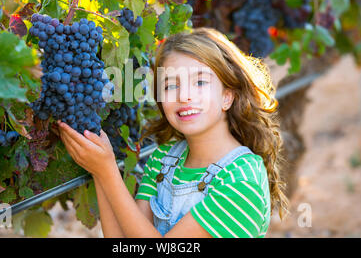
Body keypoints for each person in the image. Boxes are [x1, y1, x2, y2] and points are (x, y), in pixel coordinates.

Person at [57, 27, 289, 238]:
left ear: (227, 97)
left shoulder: (241, 179)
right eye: (170, 85)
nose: (184, 96)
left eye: (200, 82)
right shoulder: (163, 159)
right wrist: (99, 170)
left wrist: (108, 171)